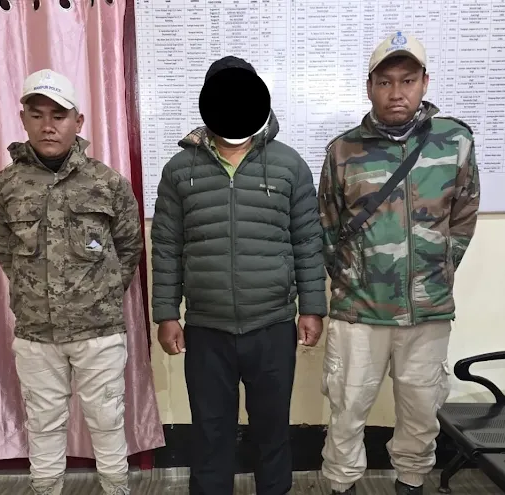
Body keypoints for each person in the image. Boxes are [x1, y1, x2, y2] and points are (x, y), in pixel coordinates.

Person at [151, 55, 328, 495]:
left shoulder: (289, 165)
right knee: (210, 431)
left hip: (272, 324)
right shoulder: (180, 170)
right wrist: (166, 313)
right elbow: (167, 246)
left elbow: (308, 241)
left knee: (272, 428)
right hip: (207, 328)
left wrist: (312, 308)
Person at [317, 33, 480, 495]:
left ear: (425, 82)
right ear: (369, 86)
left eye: (407, 80)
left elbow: (464, 215)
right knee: (347, 408)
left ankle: (411, 481)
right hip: (359, 311)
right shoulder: (343, 150)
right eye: (385, 81)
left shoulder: (454, 142)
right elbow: (326, 224)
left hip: (427, 311)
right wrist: (351, 277)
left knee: (421, 410)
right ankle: (342, 484)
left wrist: (438, 269)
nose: (396, 92)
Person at [0, 69, 143, 495]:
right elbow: (2, 247)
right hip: (37, 333)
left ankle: (116, 488)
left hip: (98, 332)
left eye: (59, 115)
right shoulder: (5, 186)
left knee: (107, 421)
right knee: (43, 423)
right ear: (23, 119)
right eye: (37, 115)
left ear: (78, 121)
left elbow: (129, 246)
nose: (48, 125)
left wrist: (103, 293)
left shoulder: (106, 182)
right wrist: (33, 291)